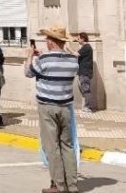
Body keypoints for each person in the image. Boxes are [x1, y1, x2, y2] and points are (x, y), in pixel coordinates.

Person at [25, 25, 79, 193]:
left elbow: (28, 72)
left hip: (47, 106)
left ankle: (59, 186)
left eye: (47, 39)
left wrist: (29, 56)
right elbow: (57, 64)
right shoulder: (73, 61)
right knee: (67, 146)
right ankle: (72, 184)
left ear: (50, 41)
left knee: (52, 147)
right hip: (65, 106)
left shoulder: (45, 60)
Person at [75, 33, 96, 113]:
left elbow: (76, 54)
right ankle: (86, 106)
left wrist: (67, 49)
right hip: (83, 72)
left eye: (79, 38)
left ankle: (88, 107)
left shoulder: (86, 47)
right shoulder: (85, 47)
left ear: (83, 38)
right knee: (84, 90)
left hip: (85, 72)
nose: (78, 40)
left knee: (86, 90)